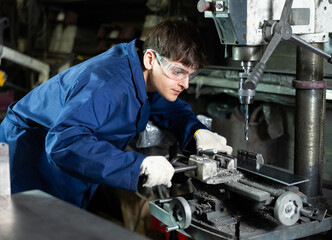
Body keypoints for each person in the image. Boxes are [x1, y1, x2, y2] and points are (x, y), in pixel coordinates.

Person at [0, 19, 232, 208]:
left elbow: (170, 107)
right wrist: (138, 165)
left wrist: (198, 131)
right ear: (151, 59)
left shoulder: (146, 72)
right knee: (26, 225)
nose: (185, 84)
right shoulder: (107, 86)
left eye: (191, 75)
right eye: (179, 72)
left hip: (60, 155)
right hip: (27, 154)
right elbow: (64, 144)